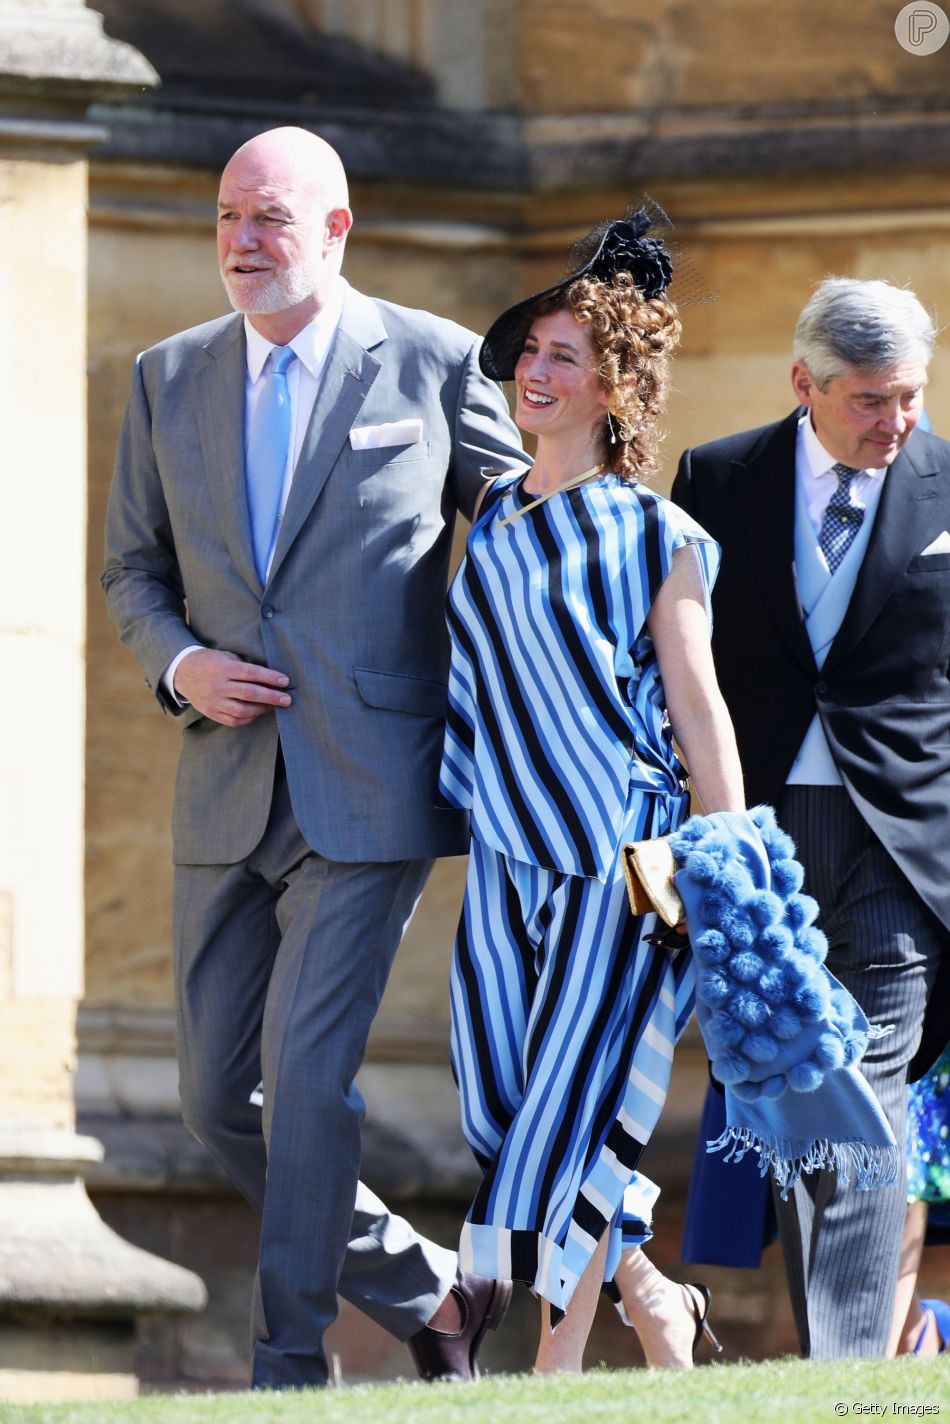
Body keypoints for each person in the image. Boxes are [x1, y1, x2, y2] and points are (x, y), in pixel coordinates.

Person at [101, 125, 529, 1390]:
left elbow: (522, 544)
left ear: (335, 229)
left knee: (305, 1088)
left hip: (373, 783)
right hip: (222, 788)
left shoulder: (439, 361)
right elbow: (133, 567)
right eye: (228, 216)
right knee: (208, 1100)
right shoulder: (164, 374)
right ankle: (430, 1288)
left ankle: (289, 1366)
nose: (241, 240)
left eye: (269, 218)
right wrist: (182, 665)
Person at [437, 206, 746, 1372]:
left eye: (562, 355)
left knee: (567, 1108)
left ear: (613, 387)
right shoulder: (492, 521)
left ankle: (533, 1358)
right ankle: (650, 1295)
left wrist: (731, 858)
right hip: (506, 850)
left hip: (621, 861)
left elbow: (696, 703)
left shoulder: (654, 532)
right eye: (527, 352)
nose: (533, 370)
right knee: (494, 1101)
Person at [671, 276, 950, 1359]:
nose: (894, 422)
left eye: (910, 397)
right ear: (804, 383)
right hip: (760, 834)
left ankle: (841, 1356)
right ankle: (836, 1338)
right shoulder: (716, 477)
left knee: (872, 1075)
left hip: (903, 841)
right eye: (869, 400)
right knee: (790, 1075)